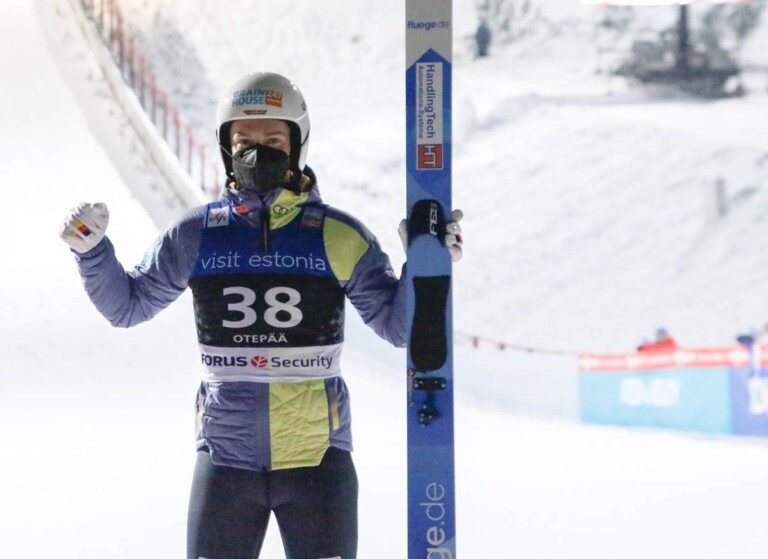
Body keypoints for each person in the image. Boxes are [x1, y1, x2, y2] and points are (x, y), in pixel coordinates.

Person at [59, 72, 463, 559]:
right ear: (227, 148)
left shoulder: (337, 234)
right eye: (244, 140)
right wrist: (92, 252)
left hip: (318, 461)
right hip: (226, 462)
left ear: (298, 144)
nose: (257, 152)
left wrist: (426, 265)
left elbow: (399, 330)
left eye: (273, 140)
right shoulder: (198, 234)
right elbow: (127, 307)